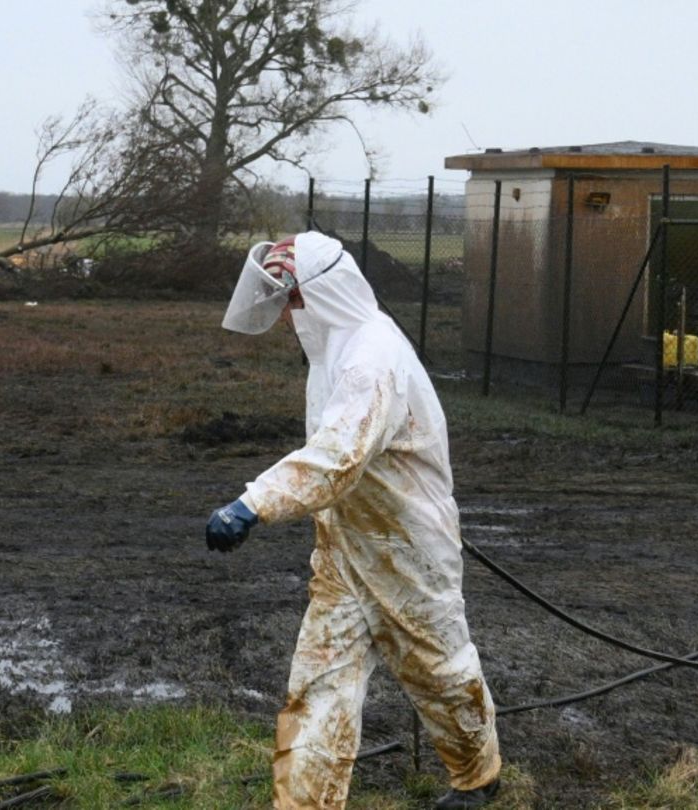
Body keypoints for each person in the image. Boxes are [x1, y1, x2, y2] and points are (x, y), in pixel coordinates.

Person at [206, 232, 502, 809]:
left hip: (407, 548)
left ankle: (477, 778)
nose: (287, 313)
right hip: (344, 550)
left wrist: (253, 503)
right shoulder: (332, 354)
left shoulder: (370, 358)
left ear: (322, 293)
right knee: (317, 687)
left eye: (291, 299)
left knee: (439, 673)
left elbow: (338, 455)